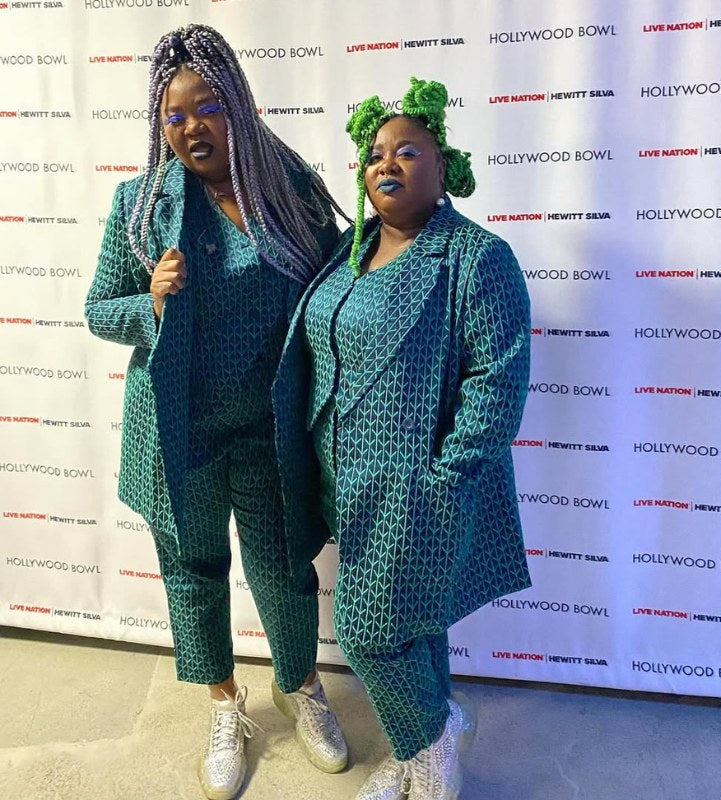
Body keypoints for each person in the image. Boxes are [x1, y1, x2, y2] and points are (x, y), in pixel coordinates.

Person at [85, 24, 349, 800]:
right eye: (175, 115)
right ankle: (224, 703)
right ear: (159, 125)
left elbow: (333, 290)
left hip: (269, 430)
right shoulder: (142, 207)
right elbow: (101, 309)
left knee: (284, 572)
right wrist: (153, 301)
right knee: (194, 570)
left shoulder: (290, 189)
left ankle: (298, 685)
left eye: (207, 106)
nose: (191, 126)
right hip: (183, 429)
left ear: (239, 102)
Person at [272, 77, 532, 800]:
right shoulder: (348, 249)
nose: (386, 165)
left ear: (443, 166)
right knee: (412, 624)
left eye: (407, 151)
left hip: (417, 487)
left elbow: (496, 381)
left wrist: (445, 480)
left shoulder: (476, 259)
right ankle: (418, 748)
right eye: (375, 154)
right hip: (344, 482)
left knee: (368, 631)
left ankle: (431, 743)